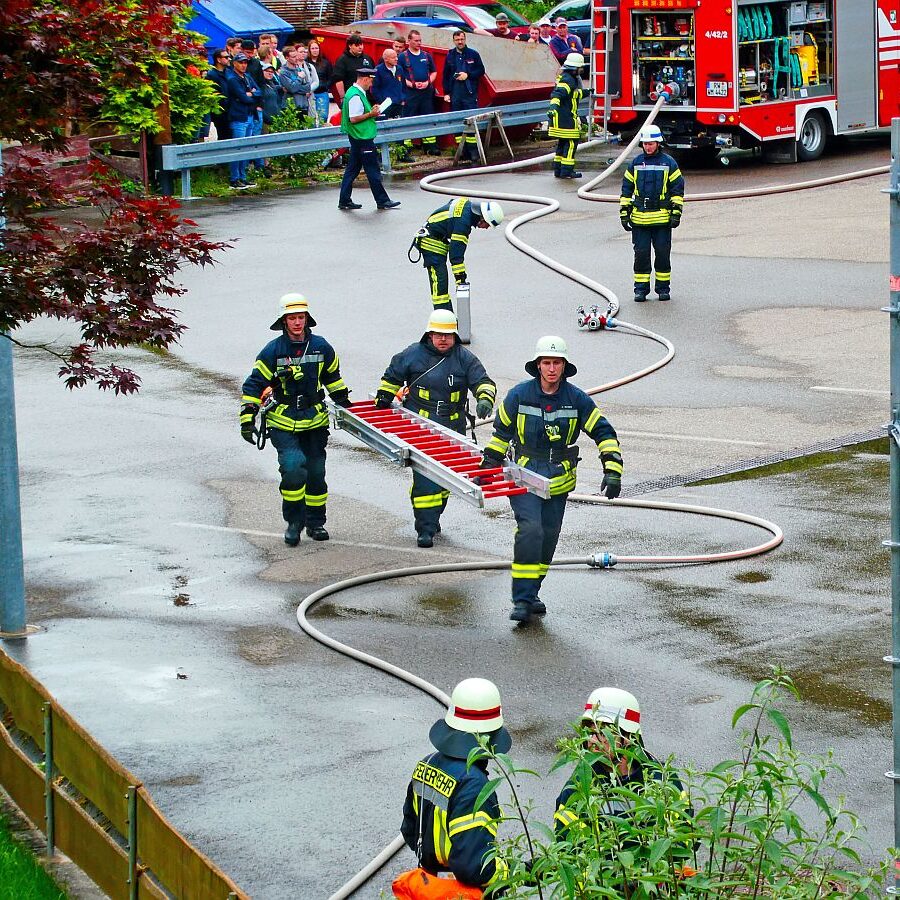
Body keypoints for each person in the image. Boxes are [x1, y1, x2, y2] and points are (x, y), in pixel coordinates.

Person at [479, 336, 623, 622]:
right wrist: (488, 466)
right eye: (547, 362)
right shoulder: (519, 395)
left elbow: (604, 433)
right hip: (525, 478)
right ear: (538, 366)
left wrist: (613, 470)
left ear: (564, 366)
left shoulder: (577, 400)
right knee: (531, 531)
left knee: (548, 540)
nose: (552, 368)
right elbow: (501, 434)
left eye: (557, 363)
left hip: (559, 482)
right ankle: (520, 600)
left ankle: (532, 593)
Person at [375, 310, 496, 548]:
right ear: (429, 334)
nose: (443, 339)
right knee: (426, 479)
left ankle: (433, 517)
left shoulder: (465, 358)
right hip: (421, 426)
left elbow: (483, 382)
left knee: (446, 480)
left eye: (448, 335)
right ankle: (425, 528)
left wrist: (485, 399)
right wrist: (384, 395)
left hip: (452, 426)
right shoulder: (412, 354)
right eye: (438, 334)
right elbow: (392, 376)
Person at [240, 293, 352, 547]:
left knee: (315, 472)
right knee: (293, 468)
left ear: (307, 319)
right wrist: (247, 419)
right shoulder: (272, 351)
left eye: (301, 317)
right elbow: (253, 385)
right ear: (284, 321)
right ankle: (294, 522)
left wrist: (344, 401)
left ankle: (316, 523)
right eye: (292, 318)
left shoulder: (322, 346)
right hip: (283, 421)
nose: (297, 322)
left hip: (314, 421)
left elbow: (332, 377)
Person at [400, 678, 510, 890]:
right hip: (460, 892)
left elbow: (409, 829)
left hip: (429, 884)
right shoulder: (475, 786)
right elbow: (474, 868)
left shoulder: (427, 764)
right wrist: (518, 871)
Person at [620, 124, 684, 303]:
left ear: (658, 143)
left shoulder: (669, 163)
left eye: (651, 143)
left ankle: (663, 289)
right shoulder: (635, 163)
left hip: (662, 219)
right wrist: (624, 213)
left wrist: (676, 212)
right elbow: (626, 190)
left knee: (663, 255)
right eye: (645, 144)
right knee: (641, 255)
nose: (647, 147)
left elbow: (677, 189)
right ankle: (640, 290)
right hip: (640, 220)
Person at [412, 198, 504, 311]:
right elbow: (456, 257)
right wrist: (460, 281)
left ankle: (448, 318)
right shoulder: (463, 223)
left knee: (441, 284)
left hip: (436, 237)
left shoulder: (467, 206)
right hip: (431, 244)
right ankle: (442, 320)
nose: (487, 228)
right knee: (440, 285)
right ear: (482, 218)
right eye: (488, 224)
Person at [338, 67, 401, 211]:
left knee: (352, 170)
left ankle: (344, 200)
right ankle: (382, 200)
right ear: (365, 79)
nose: (371, 84)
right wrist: (371, 114)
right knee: (373, 171)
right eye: (371, 81)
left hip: (357, 137)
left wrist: (371, 111)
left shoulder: (355, 92)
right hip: (362, 138)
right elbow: (353, 118)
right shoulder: (355, 95)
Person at [442, 30, 485, 165]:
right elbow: (446, 76)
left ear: (465, 39)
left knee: (471, 123)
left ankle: (473, 152)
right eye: (457, 40)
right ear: (454, 41)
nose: (460, 42)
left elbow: (481, 70)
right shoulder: (450, 55)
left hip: (469, 94)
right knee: (458, 123)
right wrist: (447, 93)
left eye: (462, 39)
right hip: (455, 94)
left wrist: (468, 75)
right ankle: (462, 152)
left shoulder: (473, 54)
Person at [399, 30, 440, 155]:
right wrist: (411, 84)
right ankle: (406, 148)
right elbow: (399, 75)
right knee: (409, 119)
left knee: (427, 118)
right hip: (411, 93)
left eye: (420, 40)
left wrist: (428, 82)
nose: (419, 43)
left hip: (426, 93)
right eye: (416, 41)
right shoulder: (402, 57)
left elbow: (434, 72)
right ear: (409, 41)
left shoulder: (426, 56)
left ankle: (430, 146)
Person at [225, 53, 262, 188]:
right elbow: (243, 97)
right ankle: (235, 178)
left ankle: (243, 176)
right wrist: (250, 95)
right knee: (238, 148)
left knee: (246, 148)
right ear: (234, 63)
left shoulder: (247, 77)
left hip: (250, 115)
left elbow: (259, 92)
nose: (243, 65)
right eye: (241, 62)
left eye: (245, 62)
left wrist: (251, 93)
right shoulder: (232, 79)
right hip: (239, 117)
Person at [548, 52, 585, 179]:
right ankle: (567, 171)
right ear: (574, 69)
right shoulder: (569, 80)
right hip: (566, 119)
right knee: (571, 144)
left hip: (561, 119)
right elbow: (557, 94)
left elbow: (571, 95)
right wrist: (553, 108)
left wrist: (586, 92)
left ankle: (558, 170)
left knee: (562, 144)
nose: (582, 70)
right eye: (580, 68)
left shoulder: (566, 77)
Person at [331, 34, 374, 104]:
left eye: (361, 45)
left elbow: (372, 76)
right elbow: (338, 80)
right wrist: (343, 97)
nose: (360, 47)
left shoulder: (367, 58)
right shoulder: (342, 60)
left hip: (367, 97)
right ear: (350, 46)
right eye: (357, 45)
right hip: (352, 97)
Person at [279, 44, 318, 116]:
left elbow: (307, 87)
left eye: (296, 55)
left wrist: (294, 88)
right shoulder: (283, 72)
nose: (297, 58)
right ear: (287, 58)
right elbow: (293, 88)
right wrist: (299, 79)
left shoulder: (301, 70)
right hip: (291, 108)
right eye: (293, 57)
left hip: (303, 106)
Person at [205, 48, 232, 141]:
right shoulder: (211, 75)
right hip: (221, 113)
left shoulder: (228, 72)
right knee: (224, 136)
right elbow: (215, 95)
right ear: (218, 59)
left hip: (231, 110)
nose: (229, 59)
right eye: (226, 57)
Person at [307, 40, 333, 125]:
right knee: (311, 118)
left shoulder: (326, 63)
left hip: (322, 92)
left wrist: (326, 86)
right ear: (309, 50)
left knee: (323, 116)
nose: (315, 50)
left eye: (316, 48)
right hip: (311, 93)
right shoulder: (306, 63)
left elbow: (331, 77)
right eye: (313, 48)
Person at [260, 63, 286, 127]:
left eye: (272, 72)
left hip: (276, 121)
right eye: (267, 71)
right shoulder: (259, 86)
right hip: (265, 122)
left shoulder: (273, 85)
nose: (270, 73)